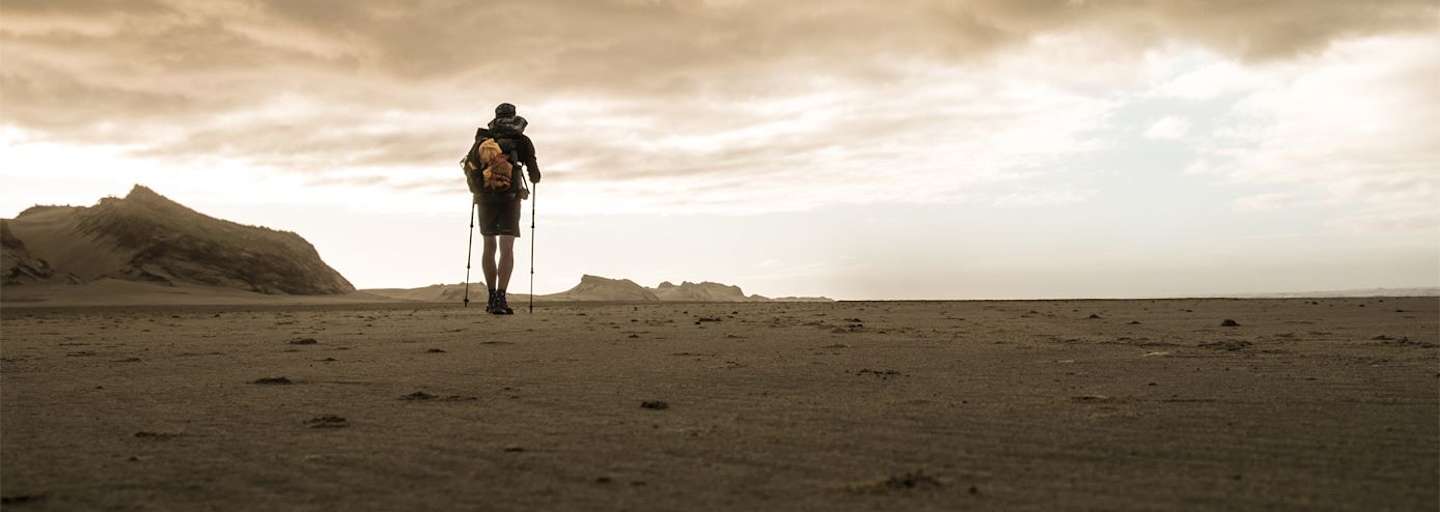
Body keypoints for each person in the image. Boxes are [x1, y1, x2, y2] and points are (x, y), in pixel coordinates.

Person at [466, 102, 541, 314]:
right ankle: (501, 298)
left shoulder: (483, 140)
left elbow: (470, 167)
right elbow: (535, 175)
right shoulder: (523, 140)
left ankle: (491, 299)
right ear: (514, 116)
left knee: (489, 246)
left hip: (485, 198)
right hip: (510, 199)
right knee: (507, 248)